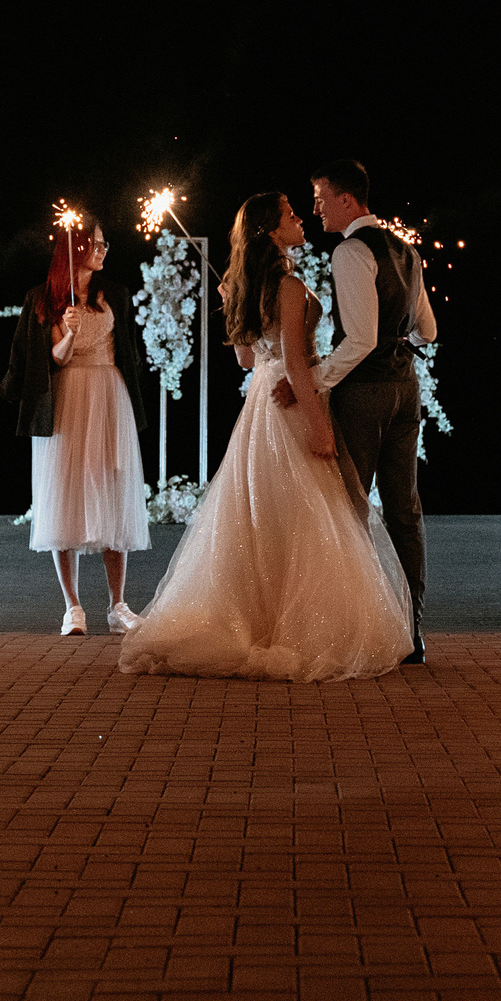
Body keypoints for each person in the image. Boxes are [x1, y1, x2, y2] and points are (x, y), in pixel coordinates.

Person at [119, 192, 412, 681]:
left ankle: (255, 622)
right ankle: (285, 628)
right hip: (292, 405)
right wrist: (320, 425)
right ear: (273, 231)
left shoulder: (241, 288)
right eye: (291, 216)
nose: (300, 221)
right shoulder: (291, 287)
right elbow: (296, 362)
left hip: (259, 407)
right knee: (304, 514)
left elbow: (247, 361)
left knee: (261, 515)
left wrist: (245, 315)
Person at [306, 160, 438, 662]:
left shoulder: (351, 251)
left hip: (365, 392)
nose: (315, 208)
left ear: (346, 200)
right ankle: (412, 630)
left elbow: (358, 338)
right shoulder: (406, 251)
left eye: (320, 196)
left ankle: (357, 627)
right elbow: (428, 330)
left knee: (351, 507)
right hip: (407, 388)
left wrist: (313, 382)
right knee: (405, 508)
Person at [2, 213, 149, 635]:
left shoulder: (114, 294)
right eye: (97, 244)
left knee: (113, 488)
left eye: (105, 245)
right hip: (68, 397)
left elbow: (127, 352)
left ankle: (118, 605)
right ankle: (73, 607)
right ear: (77, 248)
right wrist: (66, 333)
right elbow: (55, 360)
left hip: (108, 394)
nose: (103, 251)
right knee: (64, 491)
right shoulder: (45, 298)